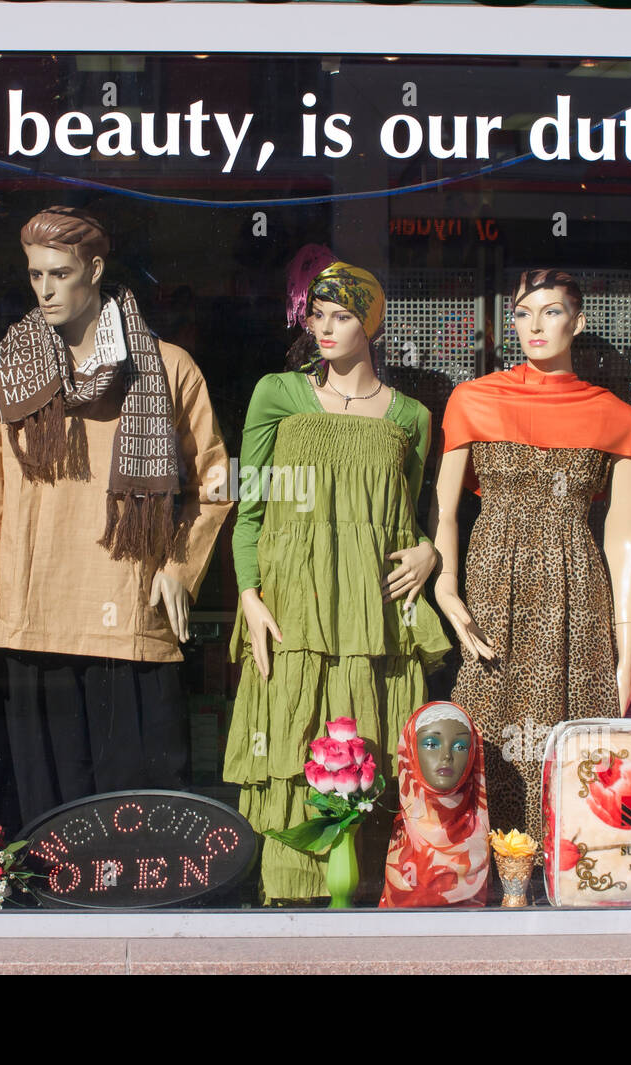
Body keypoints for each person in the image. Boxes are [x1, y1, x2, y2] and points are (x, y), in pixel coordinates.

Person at [0, 206, 231, 826]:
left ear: (95, 270)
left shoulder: (167, 368)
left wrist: (180, 566)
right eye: (34, 275)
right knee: (51, 831)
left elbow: (212, 486)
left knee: (140, 828)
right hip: (30, 625)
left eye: (60, 273)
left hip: (130, 624)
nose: (44, 290)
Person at [224, 256, 451, 903]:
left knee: (371, 745)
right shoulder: (277, 393)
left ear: (370, 324)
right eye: (318, 314)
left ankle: (372, 901)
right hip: (294, 608)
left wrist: (430, 551)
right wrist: (249, 596)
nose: (325, 327)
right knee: (296, 753)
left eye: (342, 315)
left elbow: (406, 516)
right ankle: (292, 914)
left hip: (374, 615)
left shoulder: (410, 416)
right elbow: (252, 505)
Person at [431, 268, 631, 849]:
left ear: (577, 321)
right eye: (522, 313)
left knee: (573, 733)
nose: (534, 325)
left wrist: (628, 651)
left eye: (550, 311)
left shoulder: (614, 416)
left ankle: (572, 870)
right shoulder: (473, 399)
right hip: (492, 587)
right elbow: (444, 512)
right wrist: (446, 588)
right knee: (488, 724)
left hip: (576, 590)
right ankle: (489, 873)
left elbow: (623, 535)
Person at [379, 701, 489, 908]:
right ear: (410, 750)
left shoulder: (481, 834)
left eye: (460, 746)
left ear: (473, 754)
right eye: (431, 744)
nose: (446, 756)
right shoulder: (404, 843)